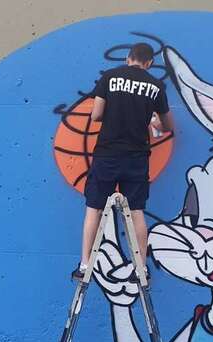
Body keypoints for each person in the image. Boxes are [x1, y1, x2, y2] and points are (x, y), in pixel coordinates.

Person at [73, 42, 175, 279]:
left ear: (128, 58)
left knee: (94, 208)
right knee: (137, 210)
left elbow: (96, 114)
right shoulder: (156, 86)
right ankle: (141, 268)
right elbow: (167, 125)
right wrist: (154, 123)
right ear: (149, 62)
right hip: (137, 157)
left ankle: (85, 264)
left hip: (107, 154)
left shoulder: (110, 77)